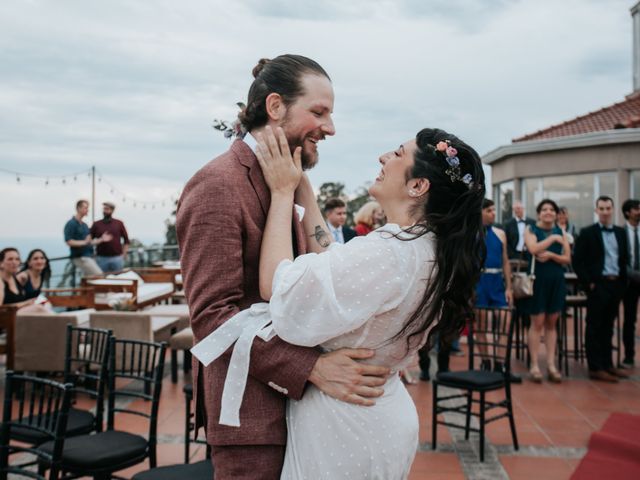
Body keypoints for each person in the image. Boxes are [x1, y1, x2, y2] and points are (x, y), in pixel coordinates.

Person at [192, 126, 486, 478]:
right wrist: (304, 186)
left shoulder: (387, 253)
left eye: (397, 153)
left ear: (418, 186)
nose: (384, 157)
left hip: (346, 430)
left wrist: (283, 193)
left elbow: (277, 285)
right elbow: (337, 263)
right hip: (379, 413)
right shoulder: (428, 249)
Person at [177, 55, 389, 479]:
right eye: (319, 112)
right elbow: (212, 318)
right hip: (253, 419)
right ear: (275, 107)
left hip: (304, 413)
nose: (330, 128)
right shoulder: (218, 184)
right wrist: (312, 368)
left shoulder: (287, 181)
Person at [574, 196, 629, 383]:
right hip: (598, 285)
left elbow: (624, 259)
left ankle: (608, 364)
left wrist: (622, 284)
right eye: (602, 208)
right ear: (596, 210)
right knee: (594, 327)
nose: (605, 212)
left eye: (608, 208)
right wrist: (589, 283)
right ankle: (595, 367)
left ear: (612, 210)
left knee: (609, 327)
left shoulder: (621, 233)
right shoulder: (587, 232)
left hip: (616, 285)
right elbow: (578, 261)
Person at [523, 199, 571, 383]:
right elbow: (533, 248)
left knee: (552, 322)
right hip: (538, 280)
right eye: (544, 209)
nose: (548, 212)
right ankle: (534, 364)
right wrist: (552, 240)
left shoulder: (562, 232)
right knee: (537, 321)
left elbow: (567, 258)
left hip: (556, 279)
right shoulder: (531, 229)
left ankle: (551, 364)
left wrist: (551, 255)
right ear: (539, 213)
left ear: (556, 213)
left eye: (552, 209)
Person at [475, 198, 521, 382]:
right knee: (481, 325)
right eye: (489, 210)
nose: (493, 213)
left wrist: (509, 288)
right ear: (480, 212)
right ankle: (486, 362)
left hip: (497, 282)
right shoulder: (471, 234)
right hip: (479, 281)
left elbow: (505, 261)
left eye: (494, 210)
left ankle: (501, 365)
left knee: (504, 323)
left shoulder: (500, 233)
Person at [64, 200, 110, 277]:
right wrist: (84, 242)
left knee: (89, 280)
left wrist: (101, 239)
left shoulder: (84, 225)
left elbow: (89, 242)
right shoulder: (71, 224)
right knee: (100, 275)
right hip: (81, 257)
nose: (87, 210)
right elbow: (69, 241)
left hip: (88, 256)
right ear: (78, 208)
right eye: (85, 208)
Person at [0, 248, 50, 314]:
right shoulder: (2, 281)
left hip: (20, 314)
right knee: (39, 308)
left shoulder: (13, 278)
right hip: (9, 317)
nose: (14, 262)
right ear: (1, 263)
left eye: (17, 259)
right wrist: (26, 303)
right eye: (10, 259)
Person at [621, 198, 640, 369]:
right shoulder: (621, 233)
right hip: (629, 282)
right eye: (636, 209)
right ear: (628, 212)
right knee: (629, 318)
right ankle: (629, 355)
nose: (639, 211)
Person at [90, 201, 130, 273]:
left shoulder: (119, 223)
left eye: (107, 209)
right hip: (101, 258)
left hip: (117, 257)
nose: (105, 211)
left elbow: (126, 240)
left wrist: (124, 254)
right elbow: (89, 241)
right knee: (102, 280)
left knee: (118, 279)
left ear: (112, 210)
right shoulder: (96, 224)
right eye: (104, 209)